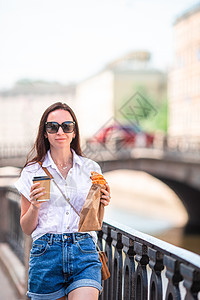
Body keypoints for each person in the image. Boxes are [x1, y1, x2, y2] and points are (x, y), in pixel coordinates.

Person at [15, 102, 111, 300]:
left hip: (83, 250)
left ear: (74, 132)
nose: (60, 131)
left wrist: (103, 201)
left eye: (67, 126)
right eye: (53, 126)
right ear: (45, 133)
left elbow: (94, 216)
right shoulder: (32, 172)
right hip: (46, 255)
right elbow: (26, 228)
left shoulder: (91, 169)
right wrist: (34, 206)